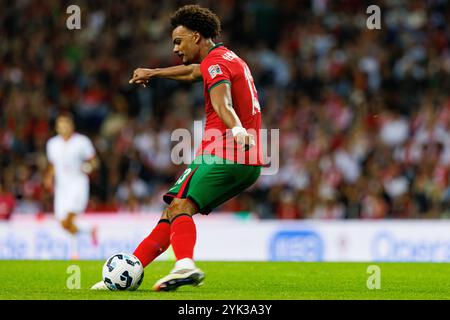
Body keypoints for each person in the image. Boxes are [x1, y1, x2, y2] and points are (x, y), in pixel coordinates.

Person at [92, 4, 264, 291]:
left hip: (225, 151)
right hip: (247, 160)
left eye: (178, 41)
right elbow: (193, 72)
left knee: (181, 205)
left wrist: (235, 128)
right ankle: (128, 270)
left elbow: (223, 103)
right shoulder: (227, 58)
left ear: (196, 37)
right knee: (172, 212)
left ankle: (184, 265)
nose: (175, 48)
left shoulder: (215, 63)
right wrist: (154, 73)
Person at [45, 114, 99, 259]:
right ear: (57, 128)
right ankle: (88, 232)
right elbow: (53, 165)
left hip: (78, 184)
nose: (63, 128)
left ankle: (75, 253)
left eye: (66, 124)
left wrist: (88, 167)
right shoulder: (52, 144)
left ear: (72, 126)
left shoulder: (82, 141)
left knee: (69, 218)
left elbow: (94, 162)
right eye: (60, 125)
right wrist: (49, 177)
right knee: (63, 223)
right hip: (61, 188)